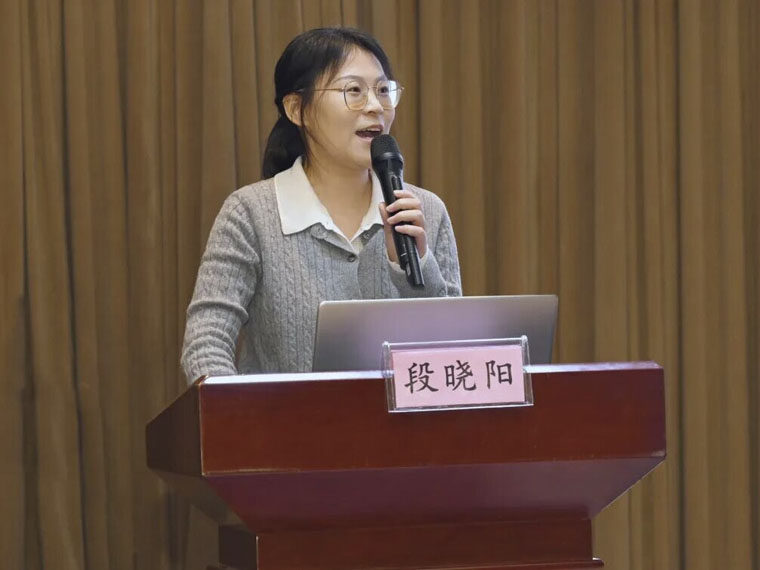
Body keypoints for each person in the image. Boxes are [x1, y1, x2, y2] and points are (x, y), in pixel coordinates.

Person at [181, 27, 461, 381]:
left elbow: (455, 354)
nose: (375, 106)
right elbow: (206, 343)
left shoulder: (426, 211)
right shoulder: (251, 214)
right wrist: (241, 411)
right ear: (297, 108)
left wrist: (415, 265)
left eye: (382, 90)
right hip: (281, 419)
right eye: (353, 91)